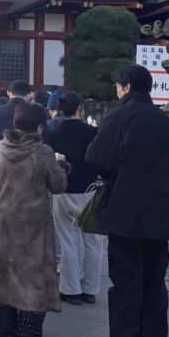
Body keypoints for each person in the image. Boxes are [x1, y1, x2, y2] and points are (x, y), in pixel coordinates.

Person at [85, 64, 169, 337]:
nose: (116, 90)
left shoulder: (121, 116)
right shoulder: (164, 121)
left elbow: (96, 158)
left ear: (126, 86)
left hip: (127, 214)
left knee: (127, 283)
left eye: (117, 85)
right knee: (155, 285)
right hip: (161, 217)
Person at [0, 102, 68, 337]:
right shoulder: (43, 153)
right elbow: (58, 185)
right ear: (40, 127)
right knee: (31, 283)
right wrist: (61, 165)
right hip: (32, 226)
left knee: (2, 278)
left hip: (0, 223)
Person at [47, 91, 103, 306]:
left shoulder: (55, 132)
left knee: (68, 240)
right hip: (90, 189)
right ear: (81, 109)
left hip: (64, 190)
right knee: (93, 241)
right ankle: (90, 288)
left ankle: (70, 289)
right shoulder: (92, 132)